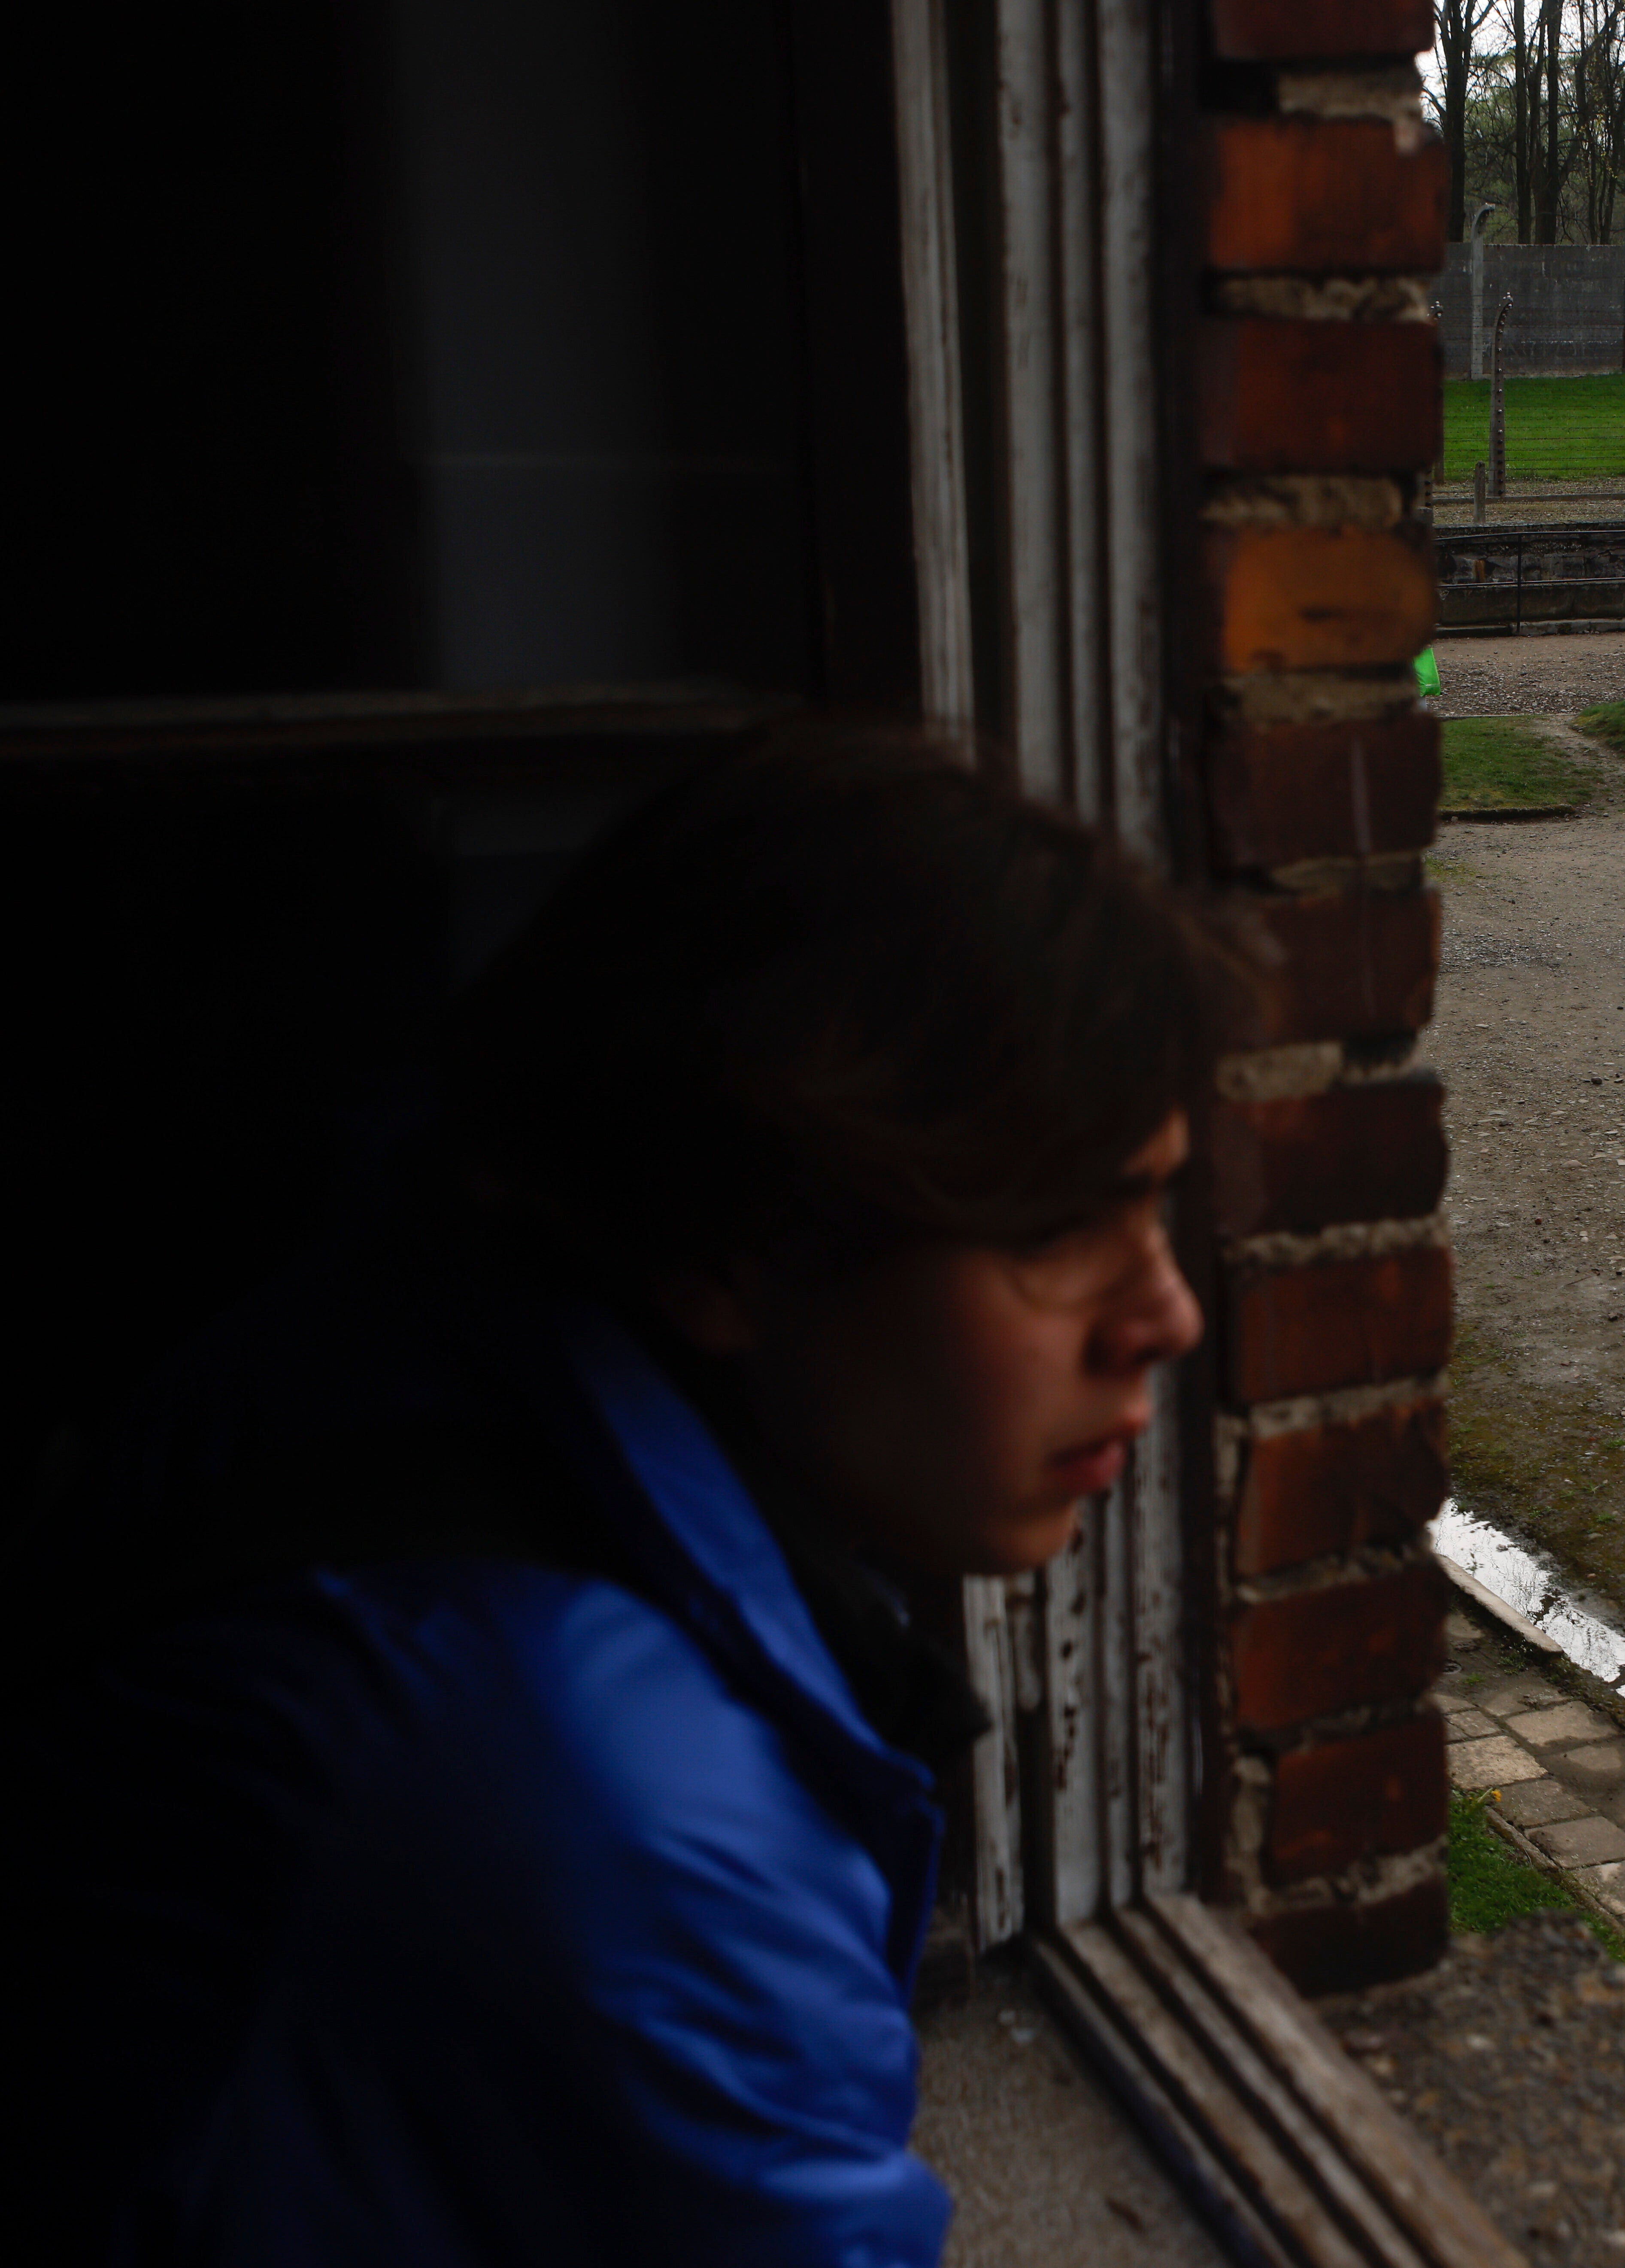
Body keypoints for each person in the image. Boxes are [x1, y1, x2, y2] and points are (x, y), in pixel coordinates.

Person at [33, 735, 1216, 2256]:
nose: (1165, 1315)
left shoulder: (412, 1294)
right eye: (1055, 1225)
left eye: (1155, 1202)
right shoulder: (628, 1839)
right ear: (730, 1244)